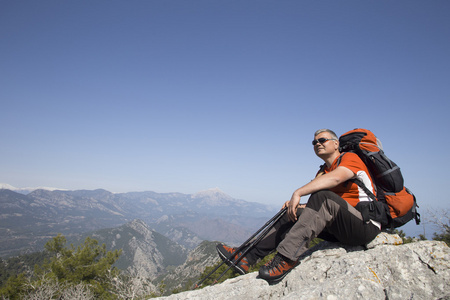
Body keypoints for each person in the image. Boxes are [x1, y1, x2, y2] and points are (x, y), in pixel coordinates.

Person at [216, 129, 382, 284]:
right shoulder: (323, 171)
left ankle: (286, 259)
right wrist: (295, 206)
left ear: (336, 143)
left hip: (365, 226)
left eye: (323, 140)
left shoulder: (350, 159)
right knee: (291, 211)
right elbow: (317, 207)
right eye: (314, 142)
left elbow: (337, 179)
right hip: (340, 227)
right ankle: (246, 257)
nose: (317, 143)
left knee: (322, 196)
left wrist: (298, 193)